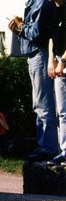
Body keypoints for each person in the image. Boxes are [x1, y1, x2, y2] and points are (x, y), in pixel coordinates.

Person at [8, 0, 59, 162]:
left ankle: (48, 148)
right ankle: (45, 145)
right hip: (35, 55)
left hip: (39, 54)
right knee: (39, 103)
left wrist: (20, 26)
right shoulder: (35, 3)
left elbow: (37, 33)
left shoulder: (41, 3)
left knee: (43, 104)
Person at [47, 0, 66, 166]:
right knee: (61, 112)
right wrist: (50, 60)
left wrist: (63, 61)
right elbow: (52, 39)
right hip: (59, 65)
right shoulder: (54, 10)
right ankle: (64, 151)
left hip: (64, 63)